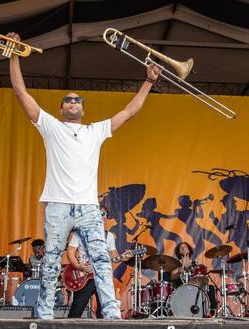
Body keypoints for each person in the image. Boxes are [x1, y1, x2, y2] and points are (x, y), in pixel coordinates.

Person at [8, 31, 161, 320]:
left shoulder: (95, 130)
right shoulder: (50, 126)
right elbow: (20, 93)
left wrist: (149, 81)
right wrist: (14, 54)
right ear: (61, 107)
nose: (74, 102)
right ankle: (44, 316)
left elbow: (130, 111)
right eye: (68, 100)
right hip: (58, 204)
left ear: (83, 107)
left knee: (103, 260)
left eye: (78, 100)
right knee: (52, 261)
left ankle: (112, 314)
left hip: (89, 207)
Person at [66, 206, 132, 318]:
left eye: (103, 214)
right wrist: (79, 266)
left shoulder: (109, 236)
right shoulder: (80, 233)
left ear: (106, 218)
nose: (100, 216)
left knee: (104, 312)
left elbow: (114, 256)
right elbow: (70, 252)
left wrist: (123, 257)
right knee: (75, 312)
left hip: (103, 277)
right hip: (84, 277)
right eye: (97, 213)